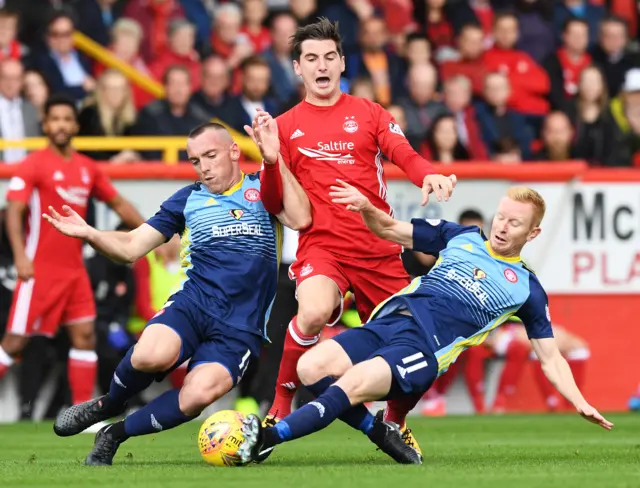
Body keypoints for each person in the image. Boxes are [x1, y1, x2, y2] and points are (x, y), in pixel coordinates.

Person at [239, 183, 613, 466]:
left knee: (351, 385)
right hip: (390, 322)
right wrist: (368, 206)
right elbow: (389, 230)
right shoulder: (461, 236)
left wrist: (579, 401)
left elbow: (550, 357)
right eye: (500, 217)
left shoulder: (527, 288)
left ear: (532, 234)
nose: (502, 227)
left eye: (515, 223)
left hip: (423, 348)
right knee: (310, 367)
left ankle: (267, 438)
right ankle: (380, 431)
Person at [246, 17, 455, 459]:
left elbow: (405, 154)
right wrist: (268, 160)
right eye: (310, 59)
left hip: (379, 247)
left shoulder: (370, 113)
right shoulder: (282, 127)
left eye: (328, 57)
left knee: (420, 341)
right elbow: (273, 201)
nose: (321, 66)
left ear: (342, 63)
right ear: (298, 69)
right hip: (323, 246)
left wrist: (429, 173)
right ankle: (280, 407)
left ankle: (394, 423)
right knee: (315, 309)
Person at [46, 121, 314, 466]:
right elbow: (131, 247)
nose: (203, 167)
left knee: (197, 396)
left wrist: (274, 160)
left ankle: (114, 433)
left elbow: (301, 217)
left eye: (210, 156)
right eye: (195, 160)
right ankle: (109, 403)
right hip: (193, 304)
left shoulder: (264, 188)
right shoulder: (187, 199)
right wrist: (90, 234)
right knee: (149, 355)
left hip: (240, 326)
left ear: (234, 151)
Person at [0, 94, 144, 409]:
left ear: (75, 125)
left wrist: (154, 232)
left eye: (67, 119)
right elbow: (13, 211)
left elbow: (118, 203)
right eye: (55, 119)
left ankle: (80, 415)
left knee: (85, 338)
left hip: (75, 272)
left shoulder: (86, 168)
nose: (61, 125)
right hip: (38, 270)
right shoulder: (33, 164)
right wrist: (21, 256)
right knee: (13, 343)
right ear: (45, 124)